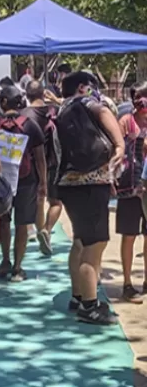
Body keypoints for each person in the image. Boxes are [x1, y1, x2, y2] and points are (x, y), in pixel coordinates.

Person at [54, 71, 124, 325]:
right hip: (92, 183)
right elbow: (104, 113)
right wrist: (119, 146)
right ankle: (90, 306)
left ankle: (78, 295)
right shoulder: (86, 103)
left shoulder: (61, 112)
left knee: (81, 241)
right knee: (95, 246)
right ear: (83, 87)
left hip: (68, 185)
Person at [0, 85, 47, 283]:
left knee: (4, 220)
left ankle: (5, 260)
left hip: (0, 181)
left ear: (4, 103)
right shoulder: (30, 125)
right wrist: (43, 182)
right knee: (23, 224)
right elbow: (40, 158)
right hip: (26, 181)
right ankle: (18, 267)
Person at [115, 86, 147, 303]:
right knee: (129, 235)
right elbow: (116, 149)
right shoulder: (126, 121)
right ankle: (127, 283)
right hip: (130, 187)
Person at [23, 80, 61, 255]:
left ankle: (40, 233)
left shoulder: (23, 115)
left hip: (29, 164)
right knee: (56, 202)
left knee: (38, 201)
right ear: (42, 94)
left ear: (26, 94)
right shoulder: (54, 111)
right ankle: (46, 229)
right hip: (53, 161)